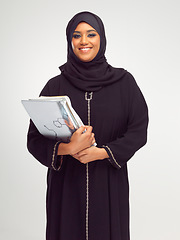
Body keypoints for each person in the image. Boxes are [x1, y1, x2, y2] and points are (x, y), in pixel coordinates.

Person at [27, 11, 148, 240]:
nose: (84, 41)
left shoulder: (124, 83)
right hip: (66, 189)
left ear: (101, 38)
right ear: (69, 40)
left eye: (91, 34)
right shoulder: (55, 86)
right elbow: (34, 139)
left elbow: (138, 130)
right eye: (76, 35)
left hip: (109, 186)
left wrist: (102, 153)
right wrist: (68, 149)